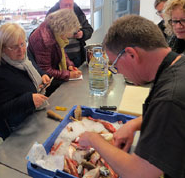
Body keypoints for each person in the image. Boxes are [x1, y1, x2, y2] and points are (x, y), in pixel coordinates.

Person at [79, 15, 185, 178]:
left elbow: (139, 173)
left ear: (131, 54)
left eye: (115, 65)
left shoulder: (170, 98)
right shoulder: (178, 65)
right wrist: (134, 124)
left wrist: (94, 139)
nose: (118, 72)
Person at [0, 23, 50, 140]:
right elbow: (2, 110)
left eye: (22, 44)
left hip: (32, 117)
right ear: (2, 48)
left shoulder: (23, 58)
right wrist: (29, 100)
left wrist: (42, 75)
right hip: (16, 127)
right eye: (14, 46)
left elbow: (34, 69)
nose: (21, 50)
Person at [28, 9, 82, 95]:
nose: (70, 36)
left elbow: (61, 50)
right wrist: (68, 75)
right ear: (63, 29)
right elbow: (45, 69)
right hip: (45, 82)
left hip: (53, 73)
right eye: (69, 33)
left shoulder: (55, 30)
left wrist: (69, 65)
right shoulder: (44, 39)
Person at [46, 0, 93, 67]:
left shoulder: (78, 13)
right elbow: (47, 37)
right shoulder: (51, 15)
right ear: (60, 4)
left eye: (70, 5)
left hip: (77, 56)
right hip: (59, 58)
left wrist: (82, 34)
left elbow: (89, 30)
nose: (68, 8)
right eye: (65, 5)